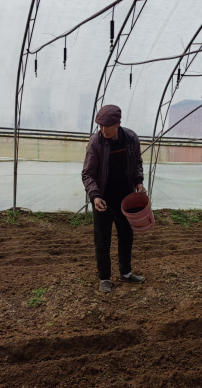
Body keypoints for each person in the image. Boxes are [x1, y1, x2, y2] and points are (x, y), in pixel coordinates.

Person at [82, 104, 146, 293]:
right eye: (100, 126)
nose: (102, 130)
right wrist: (95, 196)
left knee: (126, 235)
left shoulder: (131, 138)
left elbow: (137, 163)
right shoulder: (96, 142)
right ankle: (104, 278)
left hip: (125, 197)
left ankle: (125, 273)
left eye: (106, 126)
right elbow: (87, 174)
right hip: (103, 199)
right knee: (102, 238)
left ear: (118, 123)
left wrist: (138, 182)